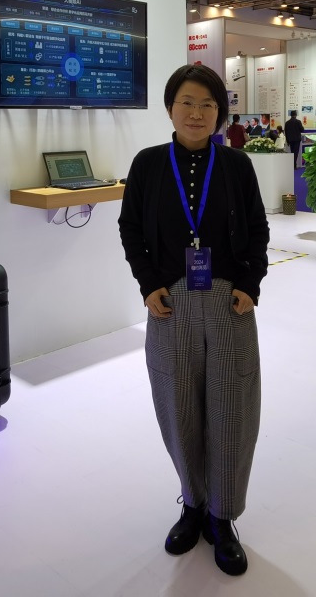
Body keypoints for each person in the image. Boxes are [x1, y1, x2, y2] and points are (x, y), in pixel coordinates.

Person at [118, 64, 269, 577]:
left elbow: (257, 229)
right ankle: (193, 504)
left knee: (232, 412)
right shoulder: (147, 164)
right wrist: (148, 284)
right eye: (187, 102)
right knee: (178, 408)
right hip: (170, 302)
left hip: (229, 302)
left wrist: (249, 284)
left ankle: (223, 518)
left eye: (207, 104)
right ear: (170, 109)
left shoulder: (237, 165)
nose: (197, 113)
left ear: (220, 113)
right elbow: (130, 228)